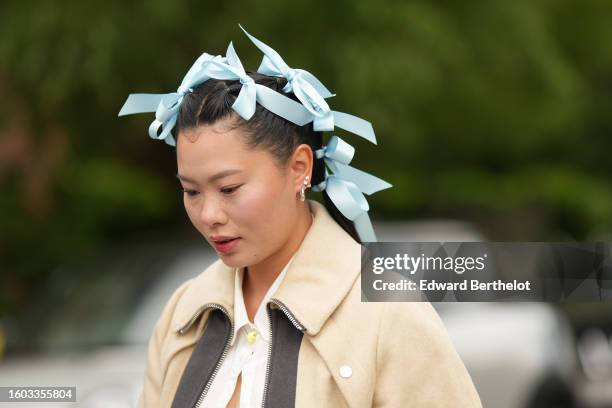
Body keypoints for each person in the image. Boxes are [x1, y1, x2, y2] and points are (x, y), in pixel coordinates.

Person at [119, 26, 482, 408]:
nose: (209, 214)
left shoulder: (389, 313)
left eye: (229, 189)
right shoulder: (183, 312)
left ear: (299, 167)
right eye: (191, 192)